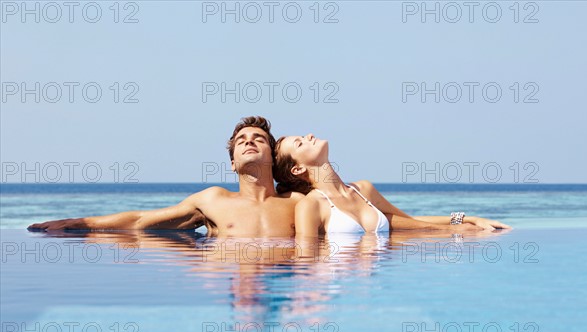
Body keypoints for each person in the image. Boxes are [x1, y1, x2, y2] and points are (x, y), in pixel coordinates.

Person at [28, 116, 304, 237]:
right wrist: (77, 224)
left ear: (272, 156)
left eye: (259, 139)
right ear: (233, 163)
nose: (249, 141)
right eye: (242, 139)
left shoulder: (299, 203)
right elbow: (140, 222)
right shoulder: (214, 200)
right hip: (231, 272)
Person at [274, 133, 511, 238]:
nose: (309, 135)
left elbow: (412, 222)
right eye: (300, 142)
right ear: (297, 169)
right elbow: (305, 263)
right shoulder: (310, 206)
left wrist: (468, 219)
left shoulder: (363, 190)